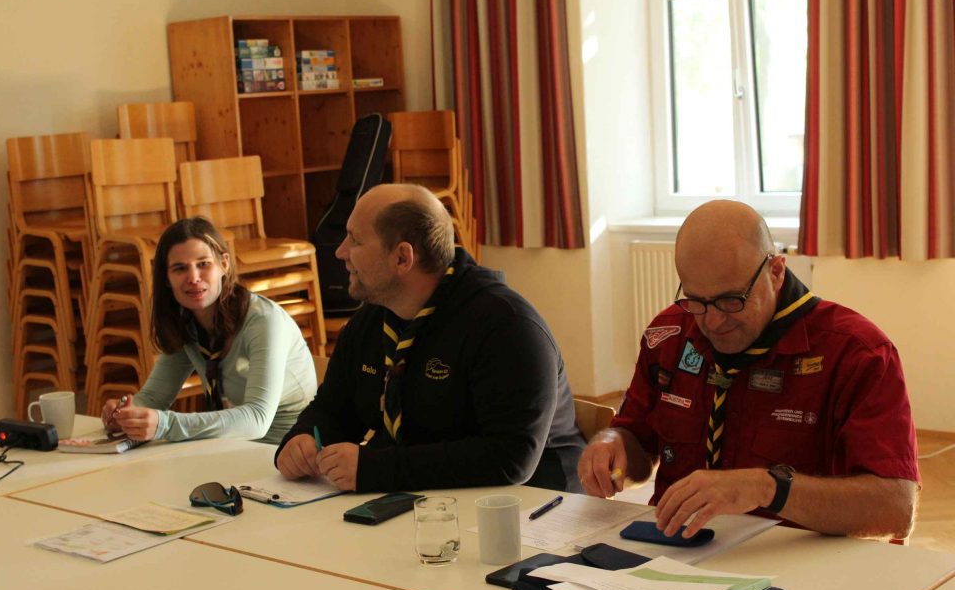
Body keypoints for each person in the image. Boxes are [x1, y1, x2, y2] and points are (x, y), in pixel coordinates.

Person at [579, 200, 919, 540]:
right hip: (673, 550)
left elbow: (895, 509)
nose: (713, 321)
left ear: (776, 272)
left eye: (731, 300)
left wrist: (768, 488)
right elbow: (638, 451)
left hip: (794, 559)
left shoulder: (856, 353)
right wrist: (612, 444)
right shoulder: (670, 334)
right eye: (697, 300)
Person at [275, 183, 585, 492]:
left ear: (402, 258)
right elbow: (333, 409)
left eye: (354, 240)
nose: (340, 252)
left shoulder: (507, 326)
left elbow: (510, 458)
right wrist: (303, 438)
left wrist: (375, 468)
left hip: (533, 503)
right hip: (425, 495)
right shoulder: (371, 321)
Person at [101, 217, 317, 445]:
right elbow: (154, 398)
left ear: (224, 264)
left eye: (203, 264)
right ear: (166, 278)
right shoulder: (186, 322)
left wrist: (166, 424)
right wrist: (125, 414)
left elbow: (257, 420)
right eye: (180, 268)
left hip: (290, 449)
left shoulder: (264, 321)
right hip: (232, 446)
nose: (193, 278)